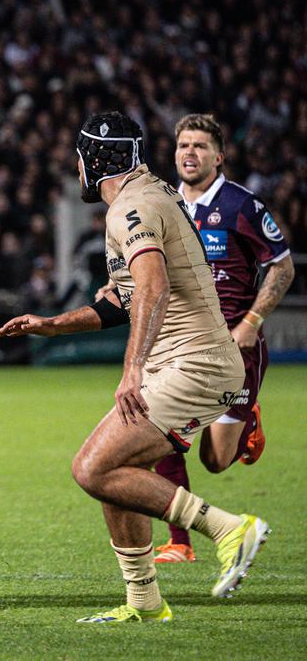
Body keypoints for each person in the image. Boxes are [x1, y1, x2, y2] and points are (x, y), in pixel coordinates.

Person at [0, 112, 270, 623]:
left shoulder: (132, 207)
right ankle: (144, 602)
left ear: (94, 160)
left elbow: (153, 286)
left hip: (195, 364)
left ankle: (229, 527)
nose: (75, 167)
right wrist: (52, 324)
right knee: (115, 470)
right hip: (187, 362)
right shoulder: (147, 196)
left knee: (92, 468)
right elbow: (124, 298)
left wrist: (132, 369)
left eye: (78, 158)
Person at [147, 113, 293, 563]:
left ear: (219, 156)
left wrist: (251, 322)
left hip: (233, 348)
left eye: (199, 146)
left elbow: (282, 267)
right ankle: (179, 542)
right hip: (177, 344)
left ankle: (248, 422)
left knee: (215, 460)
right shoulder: (163, 204)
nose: (189, 154)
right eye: (183, 146)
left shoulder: (240, 206)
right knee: (156, 432)